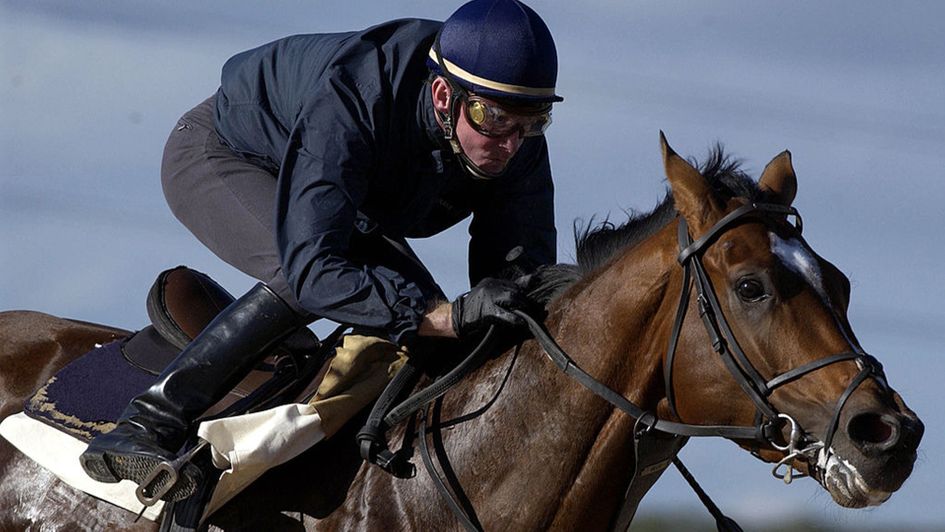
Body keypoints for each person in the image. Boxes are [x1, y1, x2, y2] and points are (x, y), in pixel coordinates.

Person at [80, 0, 561, 502]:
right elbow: (314, 268)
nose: (509, 144)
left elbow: (516, 282)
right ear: (444, 94)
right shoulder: (358, 92)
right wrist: (439, 316)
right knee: (314, 278)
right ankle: (146, 423)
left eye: (532, 122)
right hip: (222, 155)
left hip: (337, 196)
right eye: (493, 118)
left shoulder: (516, 140)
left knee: (434, 325)